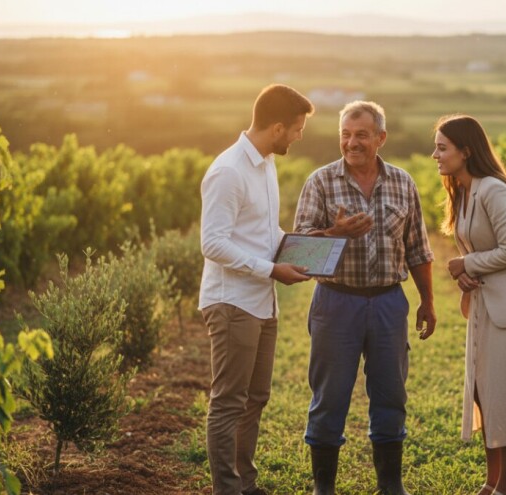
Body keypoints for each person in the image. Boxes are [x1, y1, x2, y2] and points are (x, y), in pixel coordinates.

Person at [294, 101, 437, 495]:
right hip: (336, 303)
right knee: (329, 397)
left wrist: (427, 300)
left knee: (391, 393)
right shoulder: (320, 182)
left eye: (360, 134)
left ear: (380, 138)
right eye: (345, 134)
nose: (351, 142)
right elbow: (298, 252)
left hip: (389, 302)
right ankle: (323, 487)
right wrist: (335, 234)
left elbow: (418, 250)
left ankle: (391, 485)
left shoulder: (403, 183)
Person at [199, 84, 315, 495]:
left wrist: (318, 242)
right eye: (297, 129)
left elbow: (265, 233)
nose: (300, 137)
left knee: (256, 398)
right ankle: (228, 490)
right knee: (229, 401)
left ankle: (246, 485)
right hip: (232, 302)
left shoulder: (265, 164)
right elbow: (212, 242)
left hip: (261, 302)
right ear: (278, 127)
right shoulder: (228, 171)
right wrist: (270, 269)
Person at [432, 114, 506, 495]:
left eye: (442, 148)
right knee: (485, 391)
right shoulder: (464, 191)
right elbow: (482, 250)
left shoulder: (495, 190)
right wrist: (467, 275)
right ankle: (491, 482)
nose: (435, 154)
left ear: (466, 152)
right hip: (487, 305)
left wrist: (466, 264)